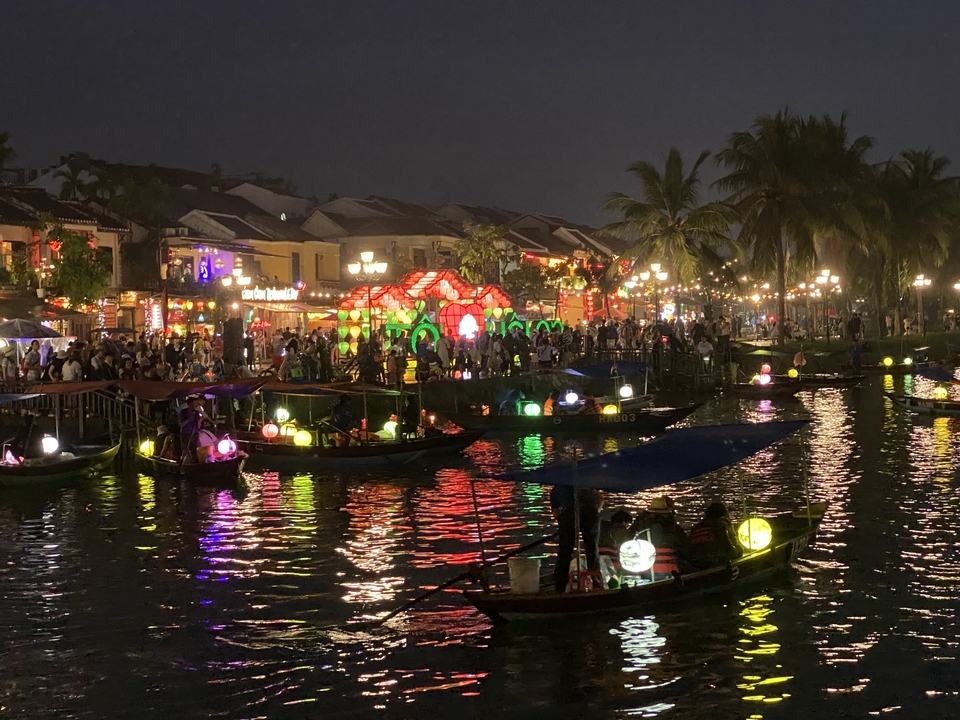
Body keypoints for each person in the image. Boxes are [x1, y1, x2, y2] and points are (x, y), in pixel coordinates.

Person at [550, 484, 603, 592]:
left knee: (565, 550)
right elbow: (599, 498)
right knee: (592, 548)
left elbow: (556, 511)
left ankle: (560, 586)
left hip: (569, 512)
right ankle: (596, 582)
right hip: (588, 512)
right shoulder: (587, 481)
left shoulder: (559, 485)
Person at [629, 496, 693, 580]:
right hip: (669, 570)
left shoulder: (640, 527)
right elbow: (686, 549)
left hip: (645, 571)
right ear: (667, 512)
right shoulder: (673, 528)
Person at [689, 502, 742, 568]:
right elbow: (729, 549)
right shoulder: (720, 526)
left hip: (694, 561)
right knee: (740, 550)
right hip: (713, 560)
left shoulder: (696, 527)